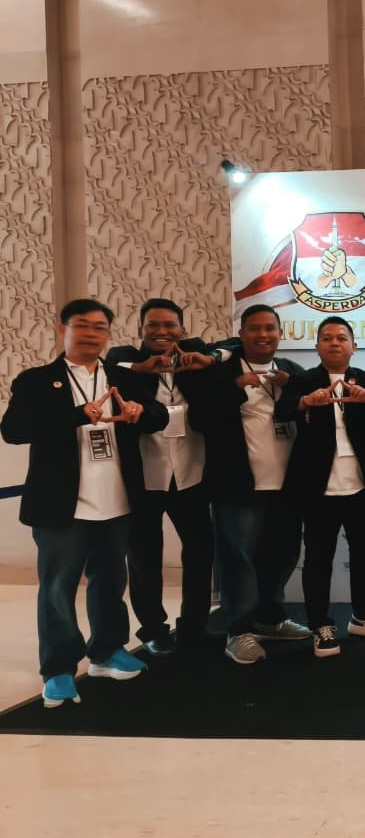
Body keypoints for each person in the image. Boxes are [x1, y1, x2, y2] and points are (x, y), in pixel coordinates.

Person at [1, 299, 168, 707]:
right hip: (62, 505)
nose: (92, 334)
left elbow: (159, 416)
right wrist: (77, 414)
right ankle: (58, 668)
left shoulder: (123, 378)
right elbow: (14, 430)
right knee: (58, 589)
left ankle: (107, 652)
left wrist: (139, 411)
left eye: (100, 327)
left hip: (117, 500)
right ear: (63, 329)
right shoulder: (37, 380)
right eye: (83, 325)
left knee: (110, 582)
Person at [187, 304, 311, 665]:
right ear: (240, 334)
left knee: (283, 554)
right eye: (254, 328)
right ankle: (238, 630)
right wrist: (237, 387)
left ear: (280, 333)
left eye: (270, 328)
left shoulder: (290, 371)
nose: (263, 335)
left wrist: (292, 387)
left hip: (287, 485)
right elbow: (200, 418)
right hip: (238, 485)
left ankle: (269, 618)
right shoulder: (221, 371)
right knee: (238, 560)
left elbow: (308, 401)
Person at [279, 316, 365, 658]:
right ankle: (320, 624)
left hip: (361, 484)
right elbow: (281, 409)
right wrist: (305, 402)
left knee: (364, 554)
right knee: (318, 558)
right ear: (317, 347)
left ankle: (363, 615)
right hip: (318, 487)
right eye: (327, 338)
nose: (334, 343)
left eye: (341, 338)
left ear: (353, 346)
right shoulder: (303, 380)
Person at [106, 298, 216, 655]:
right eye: (153, 325)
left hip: (191, 473)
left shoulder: (195, 356)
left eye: (170, 325)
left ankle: (194, 626)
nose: (161, 331)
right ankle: (153, 630)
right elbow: (109, 364)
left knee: (200, 552)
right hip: (144, 477)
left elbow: (230, 349)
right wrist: (141, 367)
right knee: (144, 558)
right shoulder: (125, 362)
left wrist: (210, 359)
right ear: (141, 329)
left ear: (182, 329)